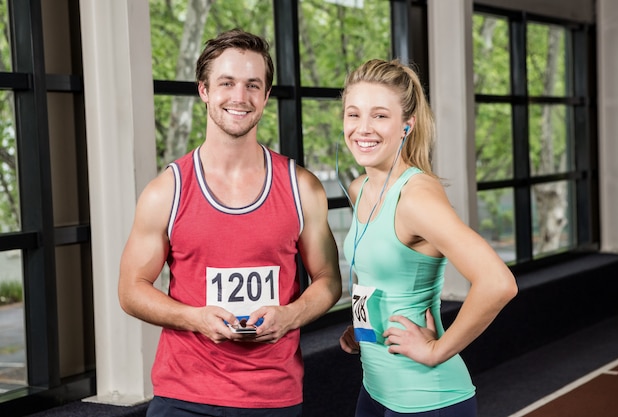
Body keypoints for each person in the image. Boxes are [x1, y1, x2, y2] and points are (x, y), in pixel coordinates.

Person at [118, 28, 342, 417]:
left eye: (253, 85)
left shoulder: (301, 187)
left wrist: (290, 315)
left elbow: (328, 280)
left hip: (274, 395)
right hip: (184, 396)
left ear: (266, 96)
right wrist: (194, 318)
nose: (240, 97)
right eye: (227, 83)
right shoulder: (166, 192)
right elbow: (130, 290)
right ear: (204, 90)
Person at [338, 58, 518, 417]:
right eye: (353, 114)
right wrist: (362, 322)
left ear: (408, 125)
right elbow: (383, 271)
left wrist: (437, 350)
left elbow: (499, 283)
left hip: (427, 398)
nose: (363, 128)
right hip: (376, 389)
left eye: (380, 116)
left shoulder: (416, 197)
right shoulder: (361, 188)